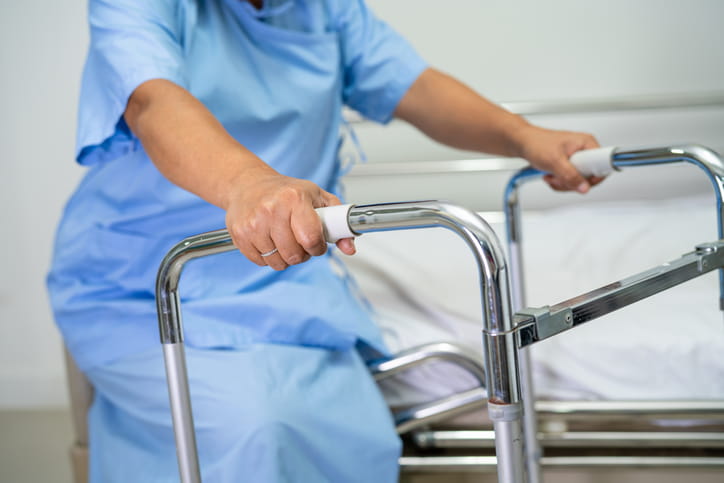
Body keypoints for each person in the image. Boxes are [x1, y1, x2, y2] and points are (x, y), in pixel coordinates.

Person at [48, 0, 603, 481]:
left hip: (284, 278)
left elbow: (415, 86)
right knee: (263, 427)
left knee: (338, 427)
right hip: (145, 284)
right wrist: (250, 183)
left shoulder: (323, 8)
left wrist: (524, 137)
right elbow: (151, 101)